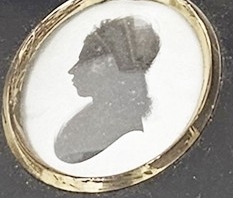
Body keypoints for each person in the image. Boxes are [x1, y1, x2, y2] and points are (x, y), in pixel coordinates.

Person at [53, 15, 161, 165]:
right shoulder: (84, 120)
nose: (72, 70)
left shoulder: (128, 138)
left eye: (85, 62)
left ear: (109, 66)